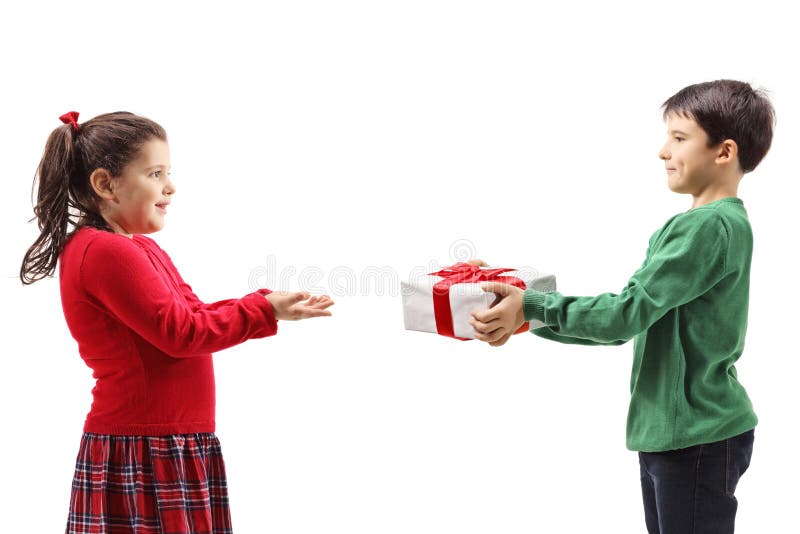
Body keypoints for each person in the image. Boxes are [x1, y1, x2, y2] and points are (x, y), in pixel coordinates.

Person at [469, 80, 774, 533]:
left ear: (724, 152)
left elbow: (623, 315)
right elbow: (627, 319)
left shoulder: (707, 228)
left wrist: (530, 306)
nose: (663, 151)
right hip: (677, 434)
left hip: (695, 437)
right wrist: (524, 305)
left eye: (679, 137)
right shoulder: (710, 224)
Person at [21, 111, 334, 534]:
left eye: (168, 172)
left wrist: (262, 303)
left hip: (168, 440)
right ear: (105, 184)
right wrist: (263, 312)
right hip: (146, 447)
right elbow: (182, 335)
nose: (170, 186)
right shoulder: (106, 253)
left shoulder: (139, 248)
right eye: (155, 173)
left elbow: (192, 314)